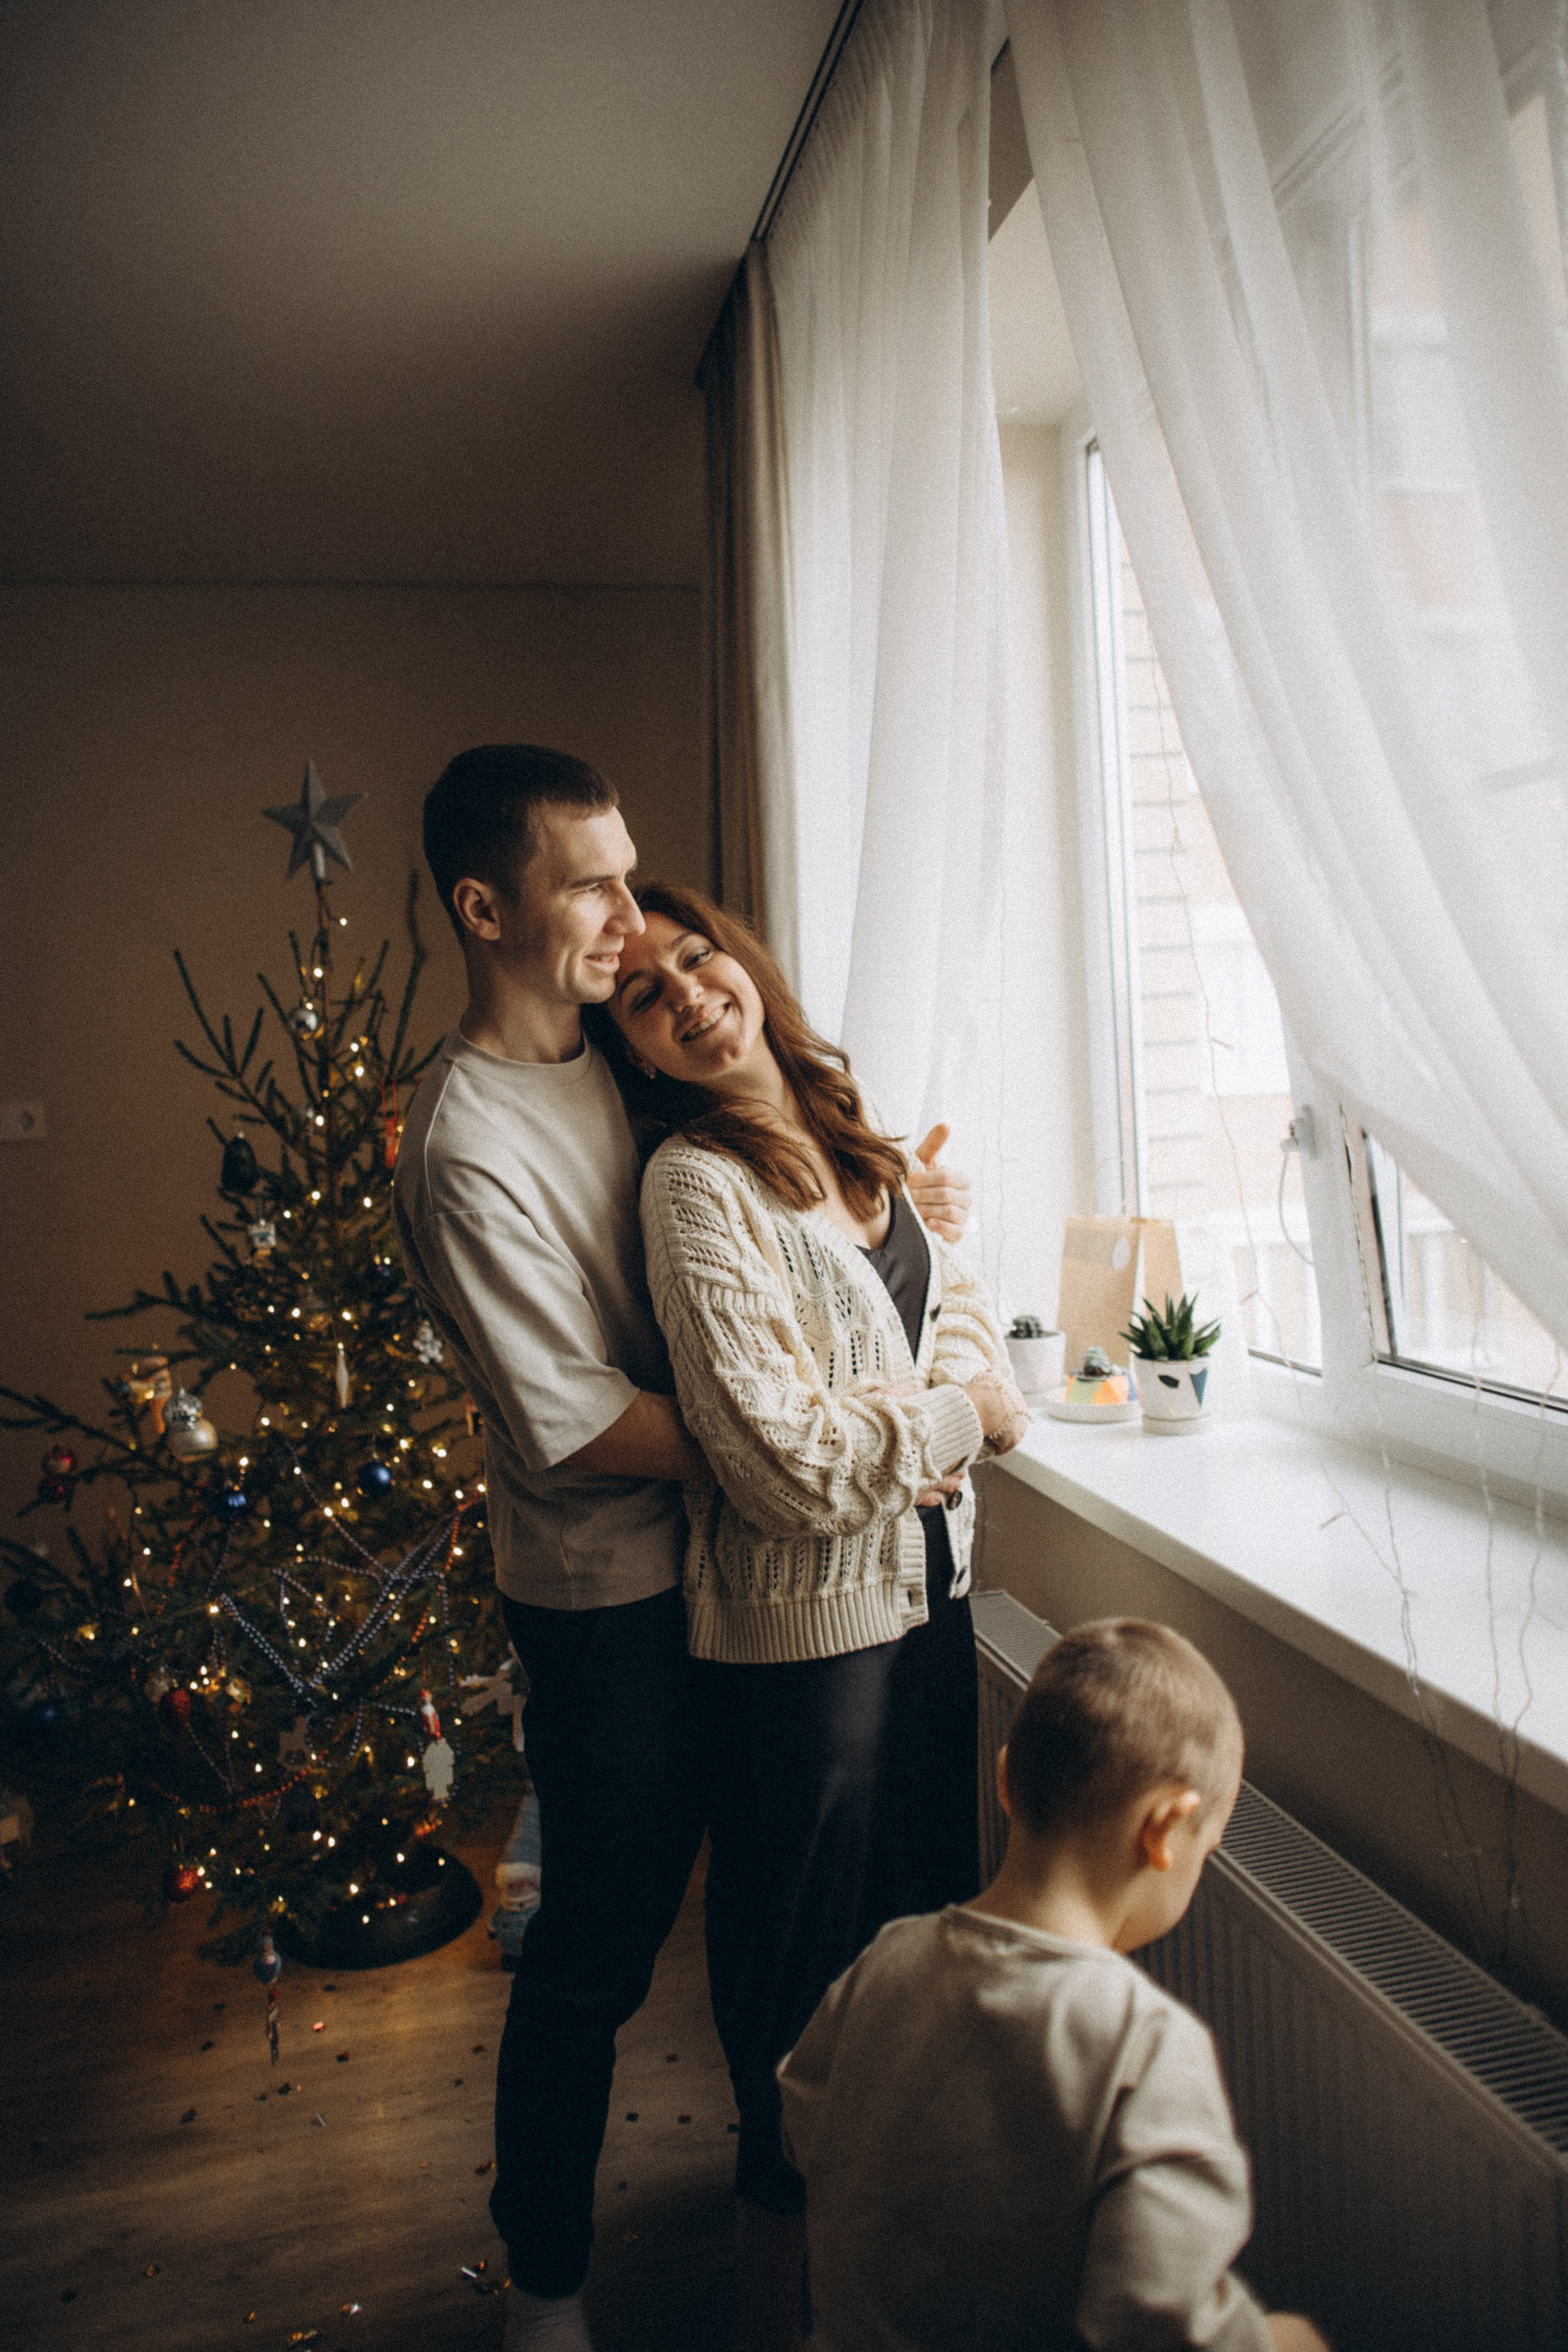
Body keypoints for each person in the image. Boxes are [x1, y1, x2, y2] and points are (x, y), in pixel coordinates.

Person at [392, 745, 973, 2352]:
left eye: (632, 876)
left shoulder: (614, 1058)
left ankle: (791, 2221)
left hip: (750, 1572)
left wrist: (889, 1219)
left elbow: (764, 1230)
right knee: (601, 1943)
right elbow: (578, 1429)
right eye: (592, 884)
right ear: (483, 906)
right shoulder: (463, 1145)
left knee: (786, 1928)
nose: (629, 917)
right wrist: (839, 1437)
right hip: (608, 1601)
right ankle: (549, 2283)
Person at [589, 881, 1029, 2351]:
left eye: (694, 956)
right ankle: (781, 2307)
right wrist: (960, 1415)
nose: (686, 992)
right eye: (643, 994)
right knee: (798, 1988)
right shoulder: (692, 1189)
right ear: (637, 1053)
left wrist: (919, 1403)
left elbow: (955, 1303)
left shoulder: (851, 1141)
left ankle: (889, 2274)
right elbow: (777, 1463)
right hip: (802, 1646)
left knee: (920, 1943)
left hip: (932, 1601)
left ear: (745, 964)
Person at [776, 1619, 1333, 2352]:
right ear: (1166, 1828)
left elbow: (804, 2125)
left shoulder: (888, 1958)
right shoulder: (1147, 2047)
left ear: (1005, 1780)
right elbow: (1160, 2324)